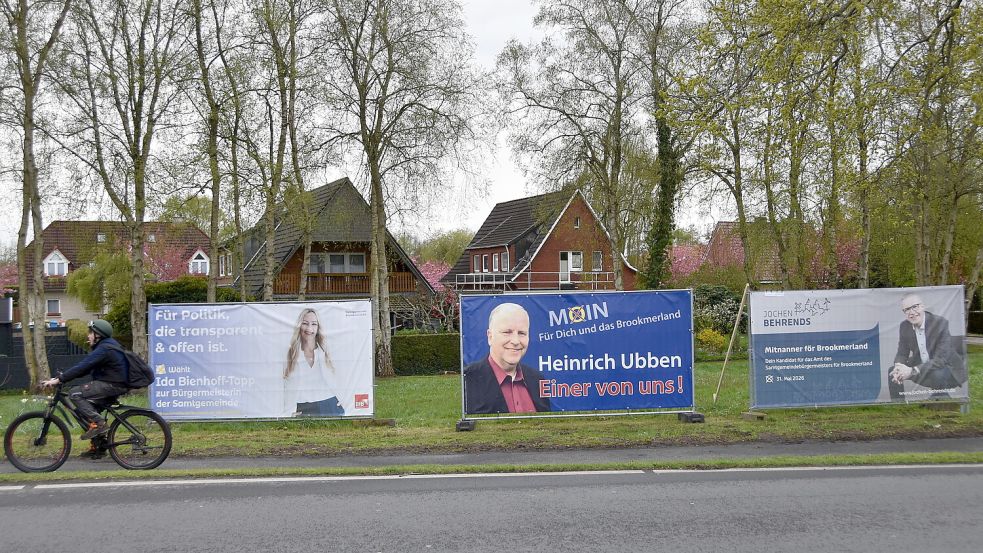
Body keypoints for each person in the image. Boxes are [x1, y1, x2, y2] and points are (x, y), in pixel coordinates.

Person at [41, 320, 129, 446]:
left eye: (90, 332)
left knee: (75, 393)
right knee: (88, 411)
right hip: (116, 384)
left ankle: (100, 424)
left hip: (112, 384)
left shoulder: (104, 348)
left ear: (98, 335)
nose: (88, 335)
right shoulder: (107, 346)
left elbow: (83, 366)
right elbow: (87, 369)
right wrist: (63, 377)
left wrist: (60, 380)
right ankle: (98, 447)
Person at [464, 302, 550, 414]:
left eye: (522, 333)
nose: (515, 341)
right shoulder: (468, 380)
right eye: (507, 332)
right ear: (490, 337)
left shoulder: (537, 379)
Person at [888, 293, 966, 399]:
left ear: (922, 306)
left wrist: (912, 370)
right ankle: (898, 405)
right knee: (892, 371)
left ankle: (940, 402)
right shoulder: (904, 326)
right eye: (907, 309)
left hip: (947, 367)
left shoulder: (940, 323)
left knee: (937, 375)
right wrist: (898, 367)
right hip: (921, 363)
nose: (911, 313)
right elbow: (902, 352)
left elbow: (941, 360)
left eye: (915, 307)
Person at [282, 308, 345, 416]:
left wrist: (344, 397)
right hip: (302, 407)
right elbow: (284, 385)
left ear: (318, 327)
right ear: (299, 326)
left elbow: (342, 376)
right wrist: (288, 411)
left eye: (314, 324)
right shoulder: (290, 353)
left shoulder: (326, 351)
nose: (309, 328)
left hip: (329, 404)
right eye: (305, 323)